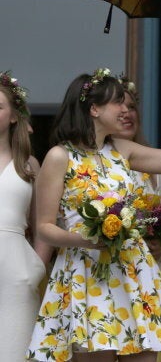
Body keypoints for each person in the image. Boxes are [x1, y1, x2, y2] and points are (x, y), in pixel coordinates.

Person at [27, 68, 161, 362]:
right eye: (117, 102)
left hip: (133, 272)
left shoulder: (122, 149)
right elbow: (44, 227)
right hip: (88, 273)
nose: (125, 109)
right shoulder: (60, 156)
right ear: (94, 109)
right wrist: (86, 240)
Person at [0, 72, 51, 361]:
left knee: (14, 351)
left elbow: (42, 223)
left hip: (18, 272)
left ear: (13, 116)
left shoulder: (28, 165)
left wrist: (36, 268)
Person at [114, 78, 161, 266]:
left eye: (131, 107)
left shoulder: (157, 164)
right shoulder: (99, 164)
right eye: (119, 106)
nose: (127, 113)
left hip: (152, 270)